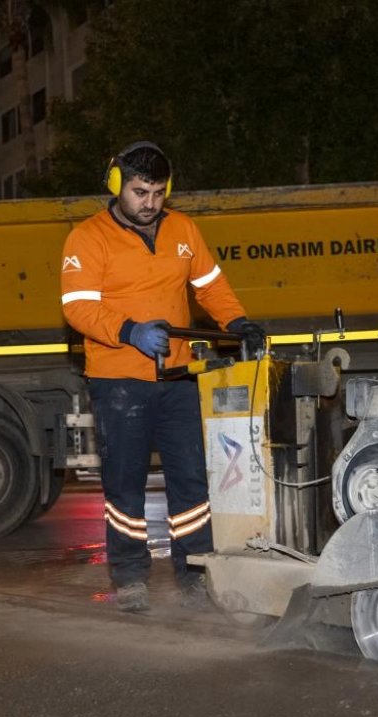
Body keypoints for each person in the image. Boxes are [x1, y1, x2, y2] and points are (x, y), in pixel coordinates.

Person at [60, 141, 265, 612]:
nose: (149, 203)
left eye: (157, 192)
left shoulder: (184, 230)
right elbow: (78, 307)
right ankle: (131, 575)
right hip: (118, 381)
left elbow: (211, 286)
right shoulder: (88, 238)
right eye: (139, 192)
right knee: (125, 482)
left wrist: (237, 323)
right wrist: (128, 331)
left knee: (191, 480)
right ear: (117, 186)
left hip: (178, 378)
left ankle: (194, 570)